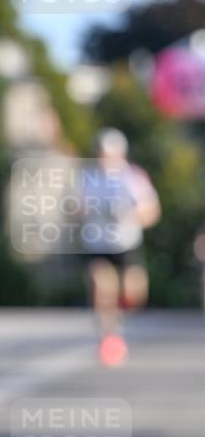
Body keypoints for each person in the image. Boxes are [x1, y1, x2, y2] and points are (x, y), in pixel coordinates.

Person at [80, 129, 161, 367]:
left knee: (133, 294)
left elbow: (152, 211)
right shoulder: (87, 178)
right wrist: (84, 212)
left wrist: (130, 216)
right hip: (97, 245)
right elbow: (75, 209)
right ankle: (110, 337)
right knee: (102, 287)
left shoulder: (133, 177)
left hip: (127, 244)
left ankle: (119, 317)